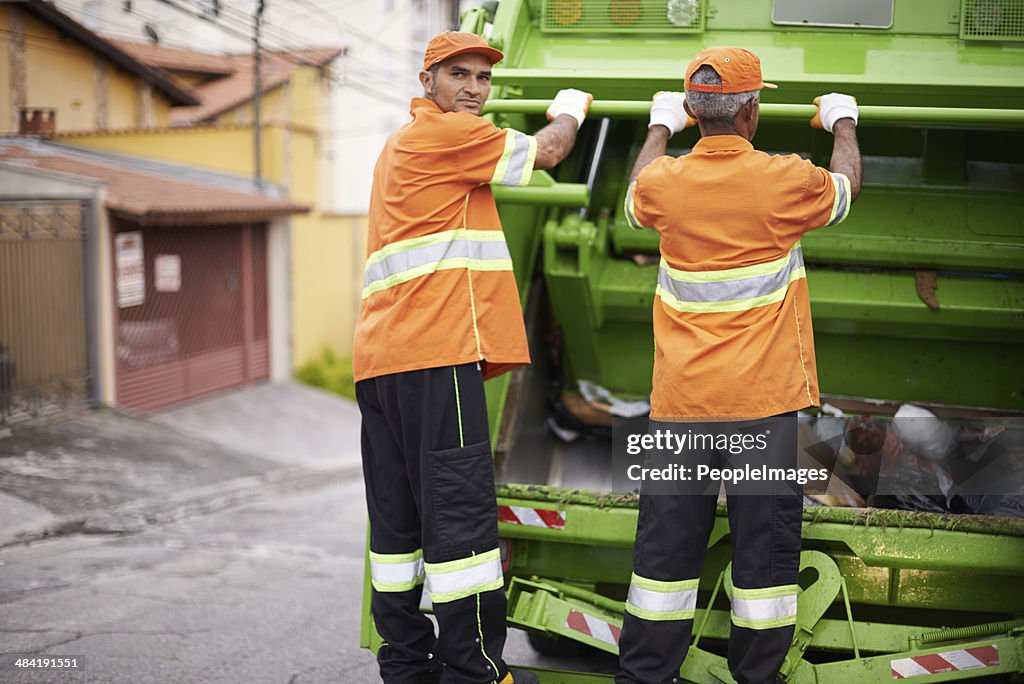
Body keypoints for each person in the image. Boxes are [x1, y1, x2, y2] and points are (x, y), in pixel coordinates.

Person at [352, 31, 592, 684]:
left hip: (383, 363)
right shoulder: (446, 136)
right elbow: (549, 152)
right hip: (436, 354)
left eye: (483, 78)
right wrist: (571, 106)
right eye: (459, 74)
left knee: (397, 529)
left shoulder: (401, 146)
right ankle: (476, 671)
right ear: (426, 80)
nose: (474, 89)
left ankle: (405, 667)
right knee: (460, 526)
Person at [616, 47, 862, 684]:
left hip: (677, 411)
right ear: (751, 110)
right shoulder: (785, 179)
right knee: (764, 565)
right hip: (762, 410)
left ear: (696, 112)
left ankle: (644, 676)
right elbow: (845, 191)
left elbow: (635, 191)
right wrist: (842, 122)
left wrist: (659, 126)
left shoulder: (663, 184)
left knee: (662, 564)